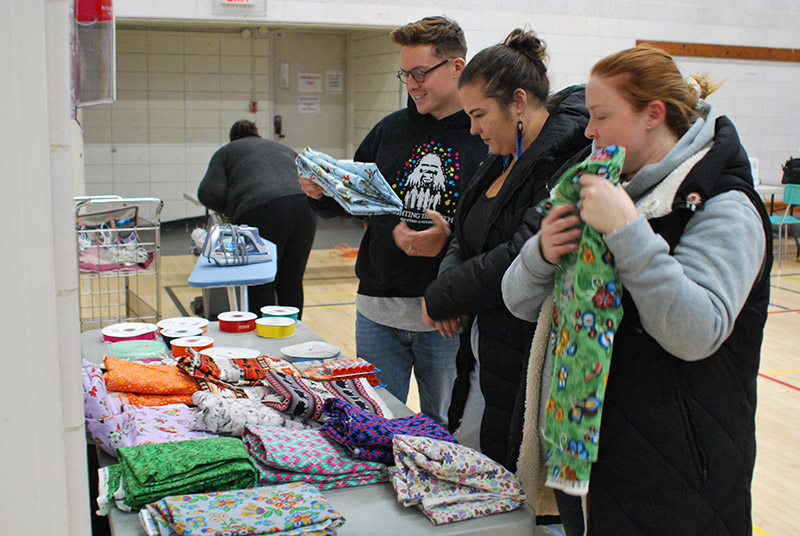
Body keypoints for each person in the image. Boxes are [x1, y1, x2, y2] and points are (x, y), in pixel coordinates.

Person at [502, 44, 772, 535]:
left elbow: (696, 333)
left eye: (602, 116)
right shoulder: (596, 184)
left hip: (675, 476)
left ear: (653, 115)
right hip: (581, 456)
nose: (589, 131)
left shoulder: (725, 207)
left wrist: (627, 231)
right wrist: (542, 252)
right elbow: (517, 302)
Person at [298, 16, 487, 425]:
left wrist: (448, 241)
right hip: (377, 311)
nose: (411, 85)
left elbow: (494, 231)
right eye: (405, 74)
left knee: (443, 428)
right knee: (376, 422)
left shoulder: (483, 135)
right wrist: (321, 193)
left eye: (420, 73)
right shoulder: (390, 129)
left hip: (445, 316)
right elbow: (353, 200)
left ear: (457, 67)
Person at [421, 28, 590, 473]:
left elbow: (521, 251)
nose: (473, 129)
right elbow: (462, 235)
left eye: (479, 115)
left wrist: (443, 296)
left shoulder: (563, 163)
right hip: (484, 349)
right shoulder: (502, 154)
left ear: (518, 102)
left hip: (523, 355)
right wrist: (449, 286)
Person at [198, 120, 318, 318]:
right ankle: (293, 332)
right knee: (292, 281)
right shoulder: (284, 149)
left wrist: (232, 208)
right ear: (257, 134)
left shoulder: (226, 151)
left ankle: (263, 333)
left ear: (231, 139)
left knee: (261, 282)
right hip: (305, 207)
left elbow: (208, 194)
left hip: (260, 209)